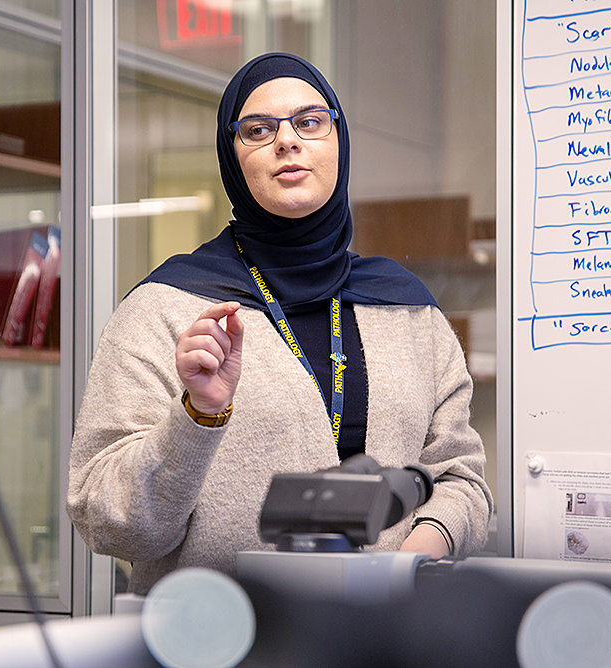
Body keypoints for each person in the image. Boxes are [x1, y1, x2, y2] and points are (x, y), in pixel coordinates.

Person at [66, 52, 492, 595]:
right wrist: (198, 416)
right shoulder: (165, 309)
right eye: (258, 129)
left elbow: (461, 479)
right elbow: (111, 523)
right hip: (220, 638)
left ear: (338, 140)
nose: (287, 141)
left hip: (385, 635)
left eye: (309, 122)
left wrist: (408, 560)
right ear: (231, 158)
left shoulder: (410, 311)